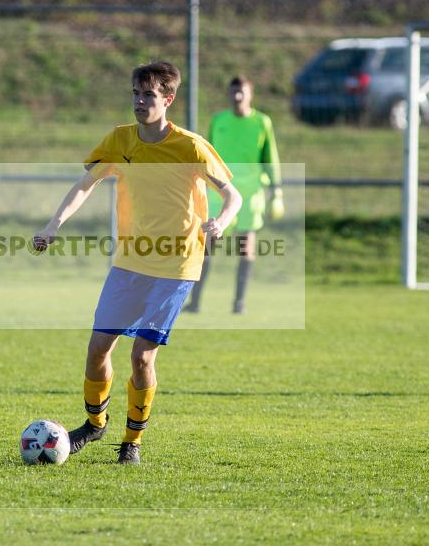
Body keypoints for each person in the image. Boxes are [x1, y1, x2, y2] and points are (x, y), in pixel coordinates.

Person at [34, 61, 241, 464]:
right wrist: (52, 225)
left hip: (177, 265)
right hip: (130, 262)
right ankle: (95, 425)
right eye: (135, 93)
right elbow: (85, 186)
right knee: (97, 350)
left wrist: (221, 222)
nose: (140, 102)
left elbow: (233, 195)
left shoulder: (190, 147)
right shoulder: (120, 140)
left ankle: (132, 442)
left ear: (168, 98)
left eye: (148, 95)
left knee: (142, 356)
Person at [182, 76, 283, 315]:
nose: (237, 97)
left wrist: (276, 191)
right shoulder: (219, 121)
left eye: (242, 92)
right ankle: (194, 303)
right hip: (220, 192)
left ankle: (239, 303)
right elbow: (206, 157)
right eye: (234, 92)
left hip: (250, 194)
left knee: (245, 246)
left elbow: (271, 158)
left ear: (251, 94)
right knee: (206, 246)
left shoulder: (262, 122)